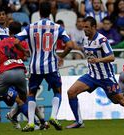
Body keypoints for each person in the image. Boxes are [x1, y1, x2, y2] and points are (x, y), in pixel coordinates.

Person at [66, 16, 124, 129]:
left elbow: (112, 57)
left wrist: (98, 60)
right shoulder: (85, 39)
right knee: (71, 92)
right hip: (91, 75)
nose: (84, 29)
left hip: (106, 77)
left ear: (94, 27)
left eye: (87, 27)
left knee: (121, 100)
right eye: (83, 27)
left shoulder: (102, 40)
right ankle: (79, 121)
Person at [14, 1, 74, 132]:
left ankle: (30, 123)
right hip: (51, 66)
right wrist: (61, 56)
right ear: (51, 11)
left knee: (31, 93)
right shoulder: (57, 27)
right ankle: (53, 116)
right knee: (57, 91)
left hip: (35, 66)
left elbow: (16, 41)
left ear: (39, 12)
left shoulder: (31, 27)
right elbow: (70, 45)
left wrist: (25, 51)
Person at [0, 21, 29, 129]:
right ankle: (36, 122)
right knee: (24, 100)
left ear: (9, 31)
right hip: (20, 73)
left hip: (5, 74)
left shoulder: (0, 43)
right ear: (20, 31)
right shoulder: (23, 43)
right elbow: (27, 55)